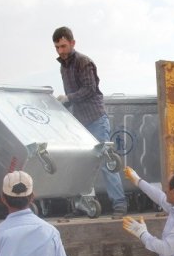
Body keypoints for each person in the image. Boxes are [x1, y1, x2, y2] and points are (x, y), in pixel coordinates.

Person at [52, 26, 127, 218]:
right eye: (57, 47)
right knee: (81, 164)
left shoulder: (84, 62)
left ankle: (119, 203)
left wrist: (67, 98)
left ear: (72, 43)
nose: (61, 51)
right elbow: (74, 96)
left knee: (106, 161)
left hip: (95, 119)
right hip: (79, 123)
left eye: (63, 46)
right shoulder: (63, 66)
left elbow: (90, 90)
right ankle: (83, 205)